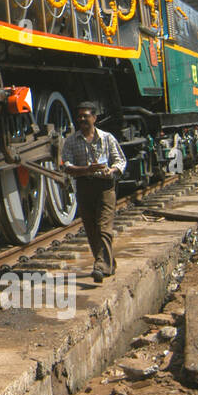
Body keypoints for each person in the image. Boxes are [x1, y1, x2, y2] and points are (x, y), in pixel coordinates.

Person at [60, 101, 128, 283]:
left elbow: (120, 161)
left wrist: (111, 171)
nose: (82, 119)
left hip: (105, 187)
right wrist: (86, 170)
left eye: (85, 116)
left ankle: (100, 265)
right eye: (79, 116)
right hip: (84, 186)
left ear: (94, 118)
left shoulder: (107, 138)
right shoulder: (71, 141)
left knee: (104, 226)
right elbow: (66, 166)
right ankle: (109, 263)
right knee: (91, 228)